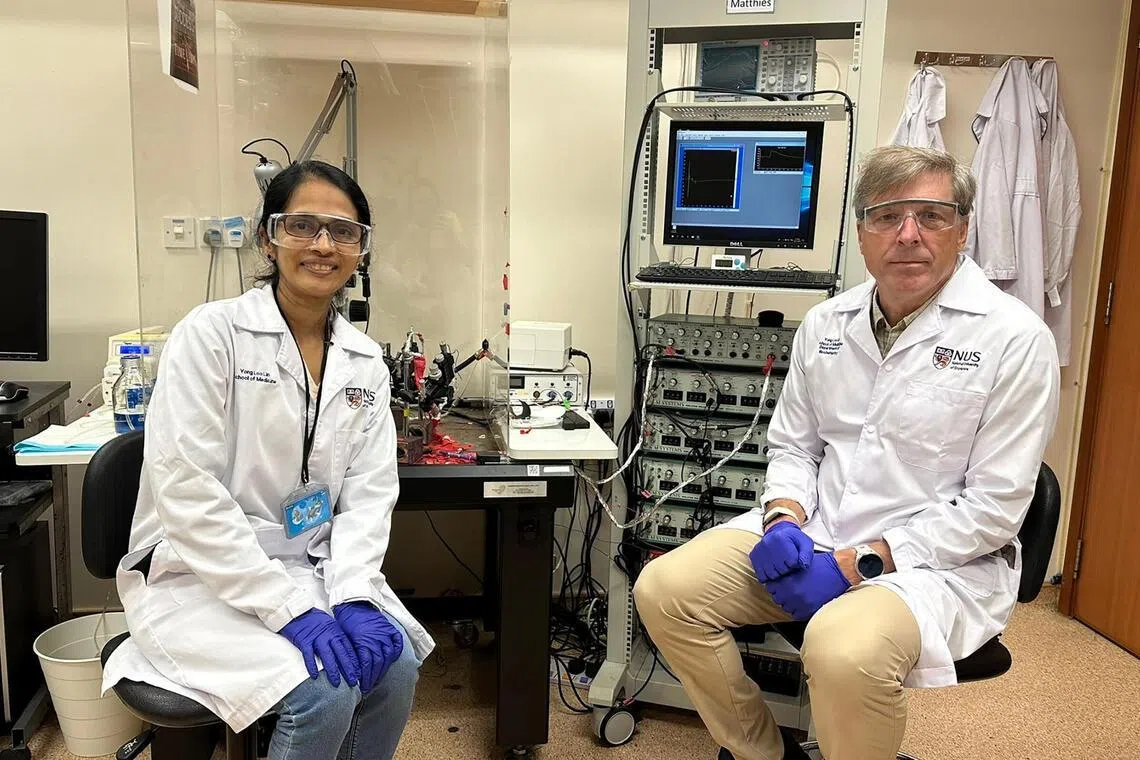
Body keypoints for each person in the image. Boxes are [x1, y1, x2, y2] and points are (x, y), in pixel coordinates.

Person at [634, 146, 1060, 760]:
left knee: (840, 650)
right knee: (664, 590)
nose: (908, 234)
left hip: (937, 566)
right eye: (886, 216)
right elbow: (794, 445)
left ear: (963, 228)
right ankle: (759, 752)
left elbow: (993, 509)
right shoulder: (826, 323)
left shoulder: (1015, 339)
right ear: (862, 233)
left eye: (931, 215)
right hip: (818, 528)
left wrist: (858, 563)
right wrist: (783, 516)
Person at [101, 160, 433, 760]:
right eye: (303, 225)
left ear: (361, 249)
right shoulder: (211, 335)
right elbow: (188, 491)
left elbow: (369, 496)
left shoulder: (363, 361)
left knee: (396, 666)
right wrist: (288, 611)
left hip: (310, 566)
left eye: (343, 231)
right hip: (200, 575)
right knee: (326, 689)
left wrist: (354, 594)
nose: (323, 245)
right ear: (268, 237)